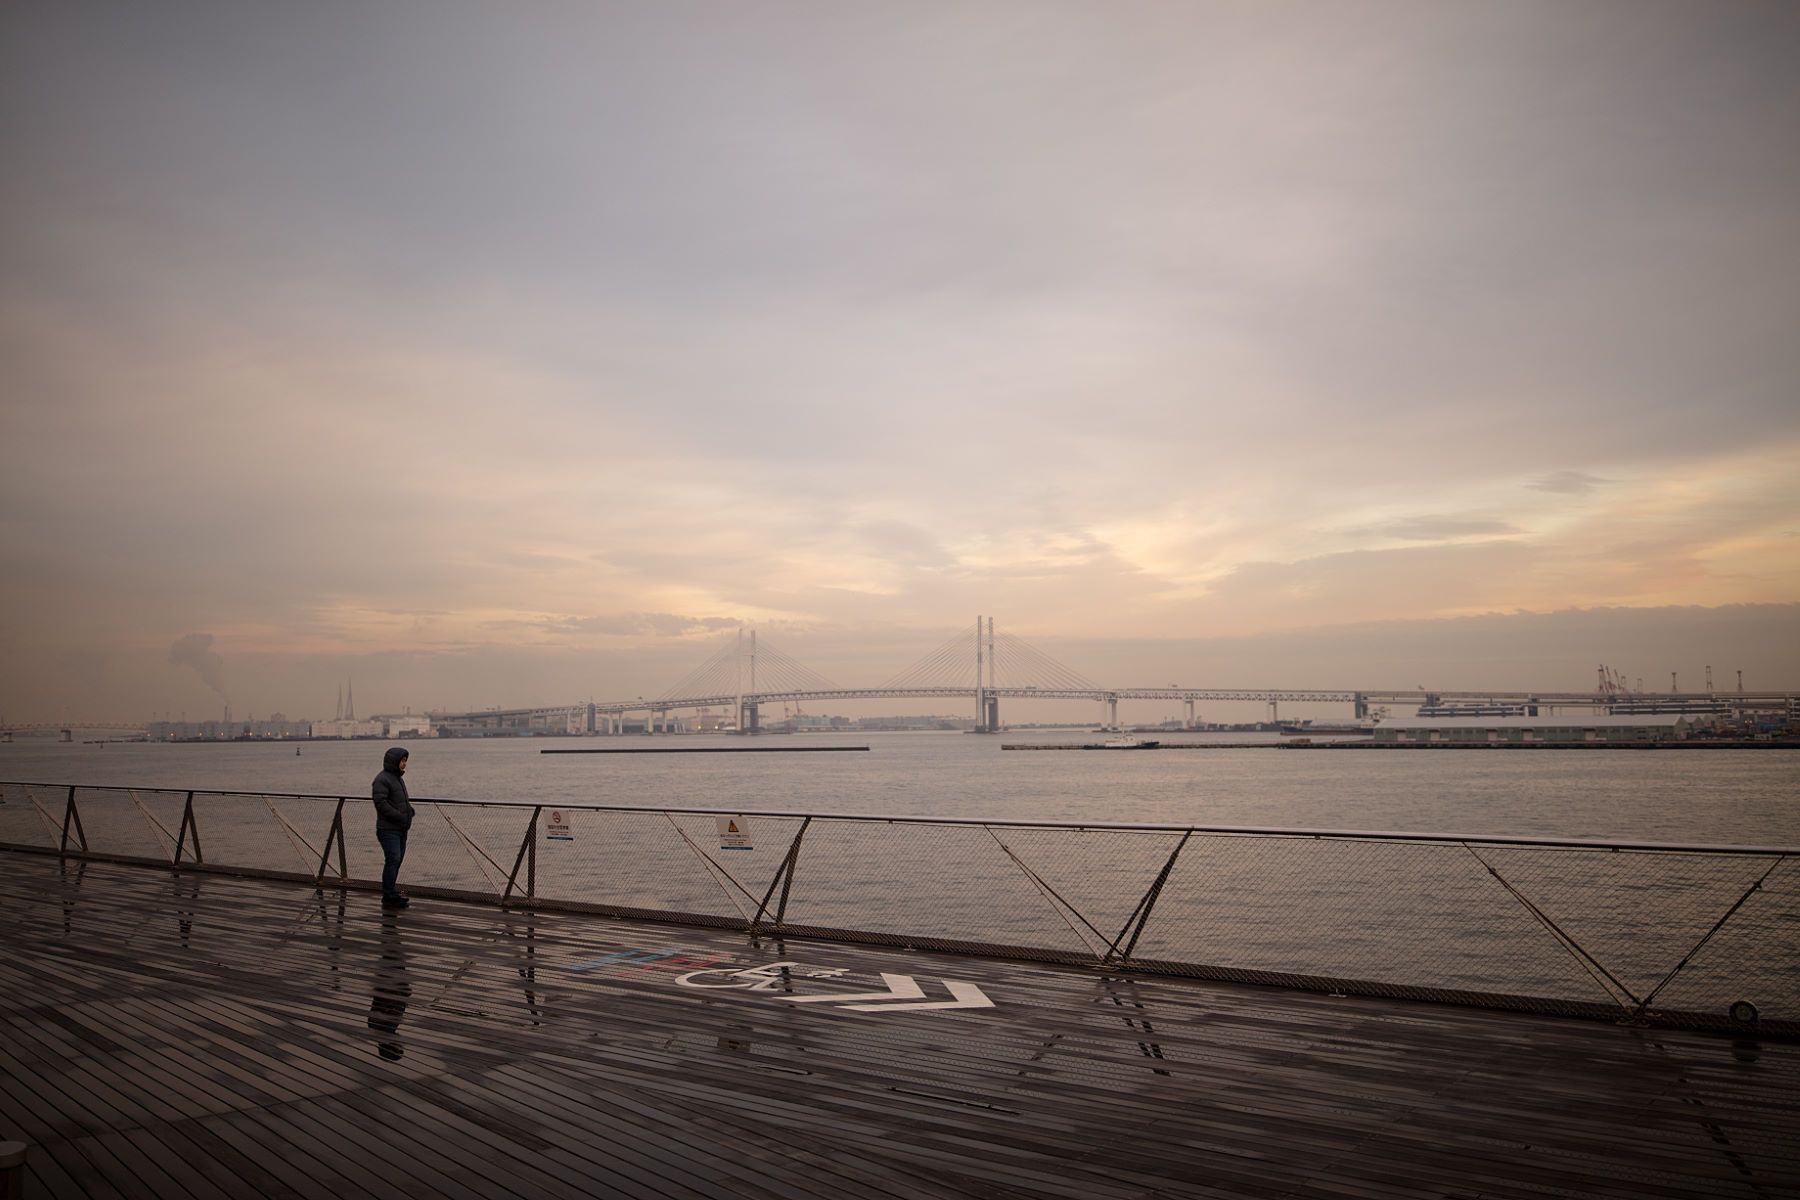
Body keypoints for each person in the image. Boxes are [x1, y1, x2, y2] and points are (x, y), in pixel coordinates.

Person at [371, 746, 414, 907]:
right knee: (393, 859)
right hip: (388, 829)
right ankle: (388, 895)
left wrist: (409, 811)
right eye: (402, 760)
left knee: (397, 861)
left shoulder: (397, 779)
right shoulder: (382, 779)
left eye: (405, 761)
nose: (404, 764)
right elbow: (380, 803)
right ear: (394, 761)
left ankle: (391, 893)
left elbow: (399, 801)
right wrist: (400, 816)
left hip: (400, 828)